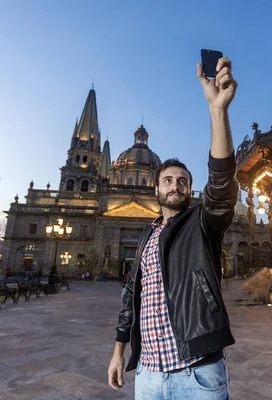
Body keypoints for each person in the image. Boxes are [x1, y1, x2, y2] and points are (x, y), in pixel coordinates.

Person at [107, 56, 238, 399]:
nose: (175, 185)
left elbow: (222, 188)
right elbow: (130, 297)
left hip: (197, 372)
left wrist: (217, 111)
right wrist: (119, 351)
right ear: (156, 188)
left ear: (190, 191)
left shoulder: (200, 224)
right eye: (167, 180)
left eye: (183, 181)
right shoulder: (148, 237)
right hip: (148, 372)